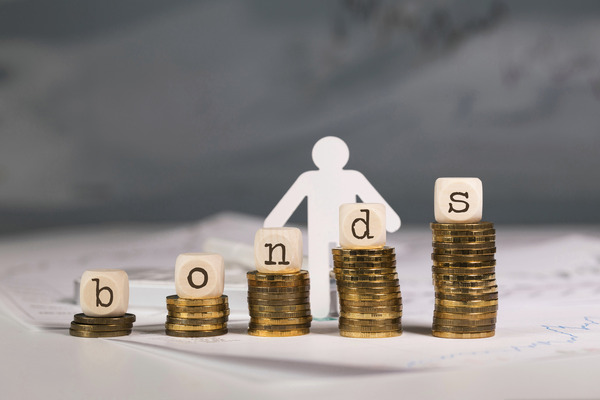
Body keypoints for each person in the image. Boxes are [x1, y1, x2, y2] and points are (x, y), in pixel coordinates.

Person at [264, 136, 401, 318]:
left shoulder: (319, 178)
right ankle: (324, 311)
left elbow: (283, 209)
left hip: (347, 232)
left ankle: (337, 310)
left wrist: (273, 224)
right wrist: (391, 222)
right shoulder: (335, 178)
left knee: (340, 269)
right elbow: (285, 206)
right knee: (324, 269)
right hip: (337, 232)